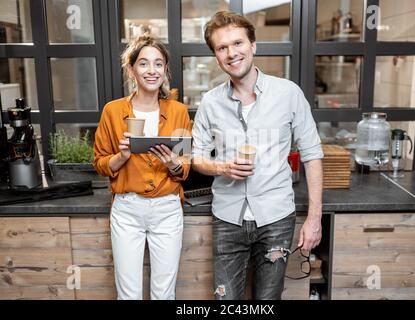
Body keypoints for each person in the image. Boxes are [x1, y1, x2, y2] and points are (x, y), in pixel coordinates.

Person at [191, 11, 324, 300]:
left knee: (267, 301)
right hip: (228, 218)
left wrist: (315, 218)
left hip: (276, 217)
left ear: (253, 45)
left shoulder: (288, 93)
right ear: (216, 56)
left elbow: (312, 154)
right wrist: (222, 167)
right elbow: (197, 158)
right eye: (222, 48)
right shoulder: (210, 103)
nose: (231, 53)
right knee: (225, 300)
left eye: (237, 43)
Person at [93, 33, 191, 300]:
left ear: (165, 70)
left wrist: (173, 164)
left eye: (158, 64)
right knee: (129, 295)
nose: (152, 70)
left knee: (164, 294)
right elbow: (100, 162)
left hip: (167, 209)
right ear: (131, 69)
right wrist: (121, 156)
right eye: (144, 63)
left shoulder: (179, 111)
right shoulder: (112, 111)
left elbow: (186, 165)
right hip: (127, 210)